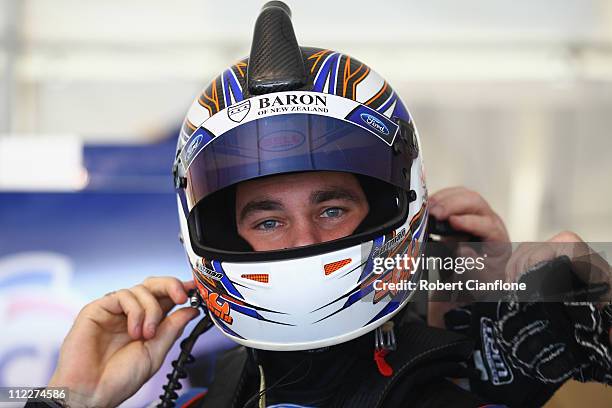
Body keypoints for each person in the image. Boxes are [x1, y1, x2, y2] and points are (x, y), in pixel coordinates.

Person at [32, 2, 611, 407]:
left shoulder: (478, 381)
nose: (304, 239)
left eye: (332, 209)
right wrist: (67, 398)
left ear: (395, 208)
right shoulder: (197, 396)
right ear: (220, 235)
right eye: (268, 219)